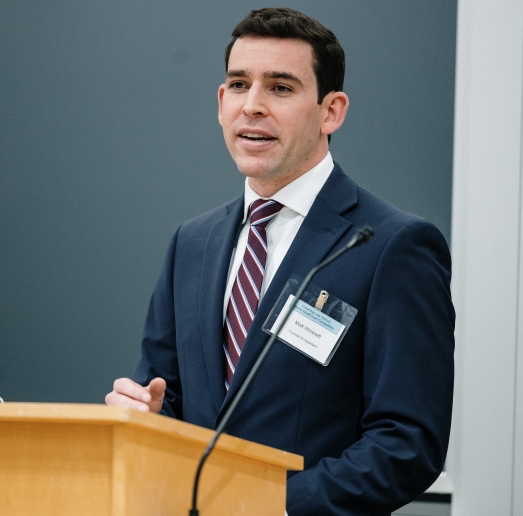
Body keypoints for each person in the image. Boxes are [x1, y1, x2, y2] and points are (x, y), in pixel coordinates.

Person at [105, 7, 454, 516]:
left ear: (331, 111)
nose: (253, 106)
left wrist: (266, 505)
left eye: (281, 88)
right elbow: (171, 397)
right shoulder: (192, 244)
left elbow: (407, 445)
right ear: (221, 102)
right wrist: (147, 417)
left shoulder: (391, 246)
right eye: (240, 85)